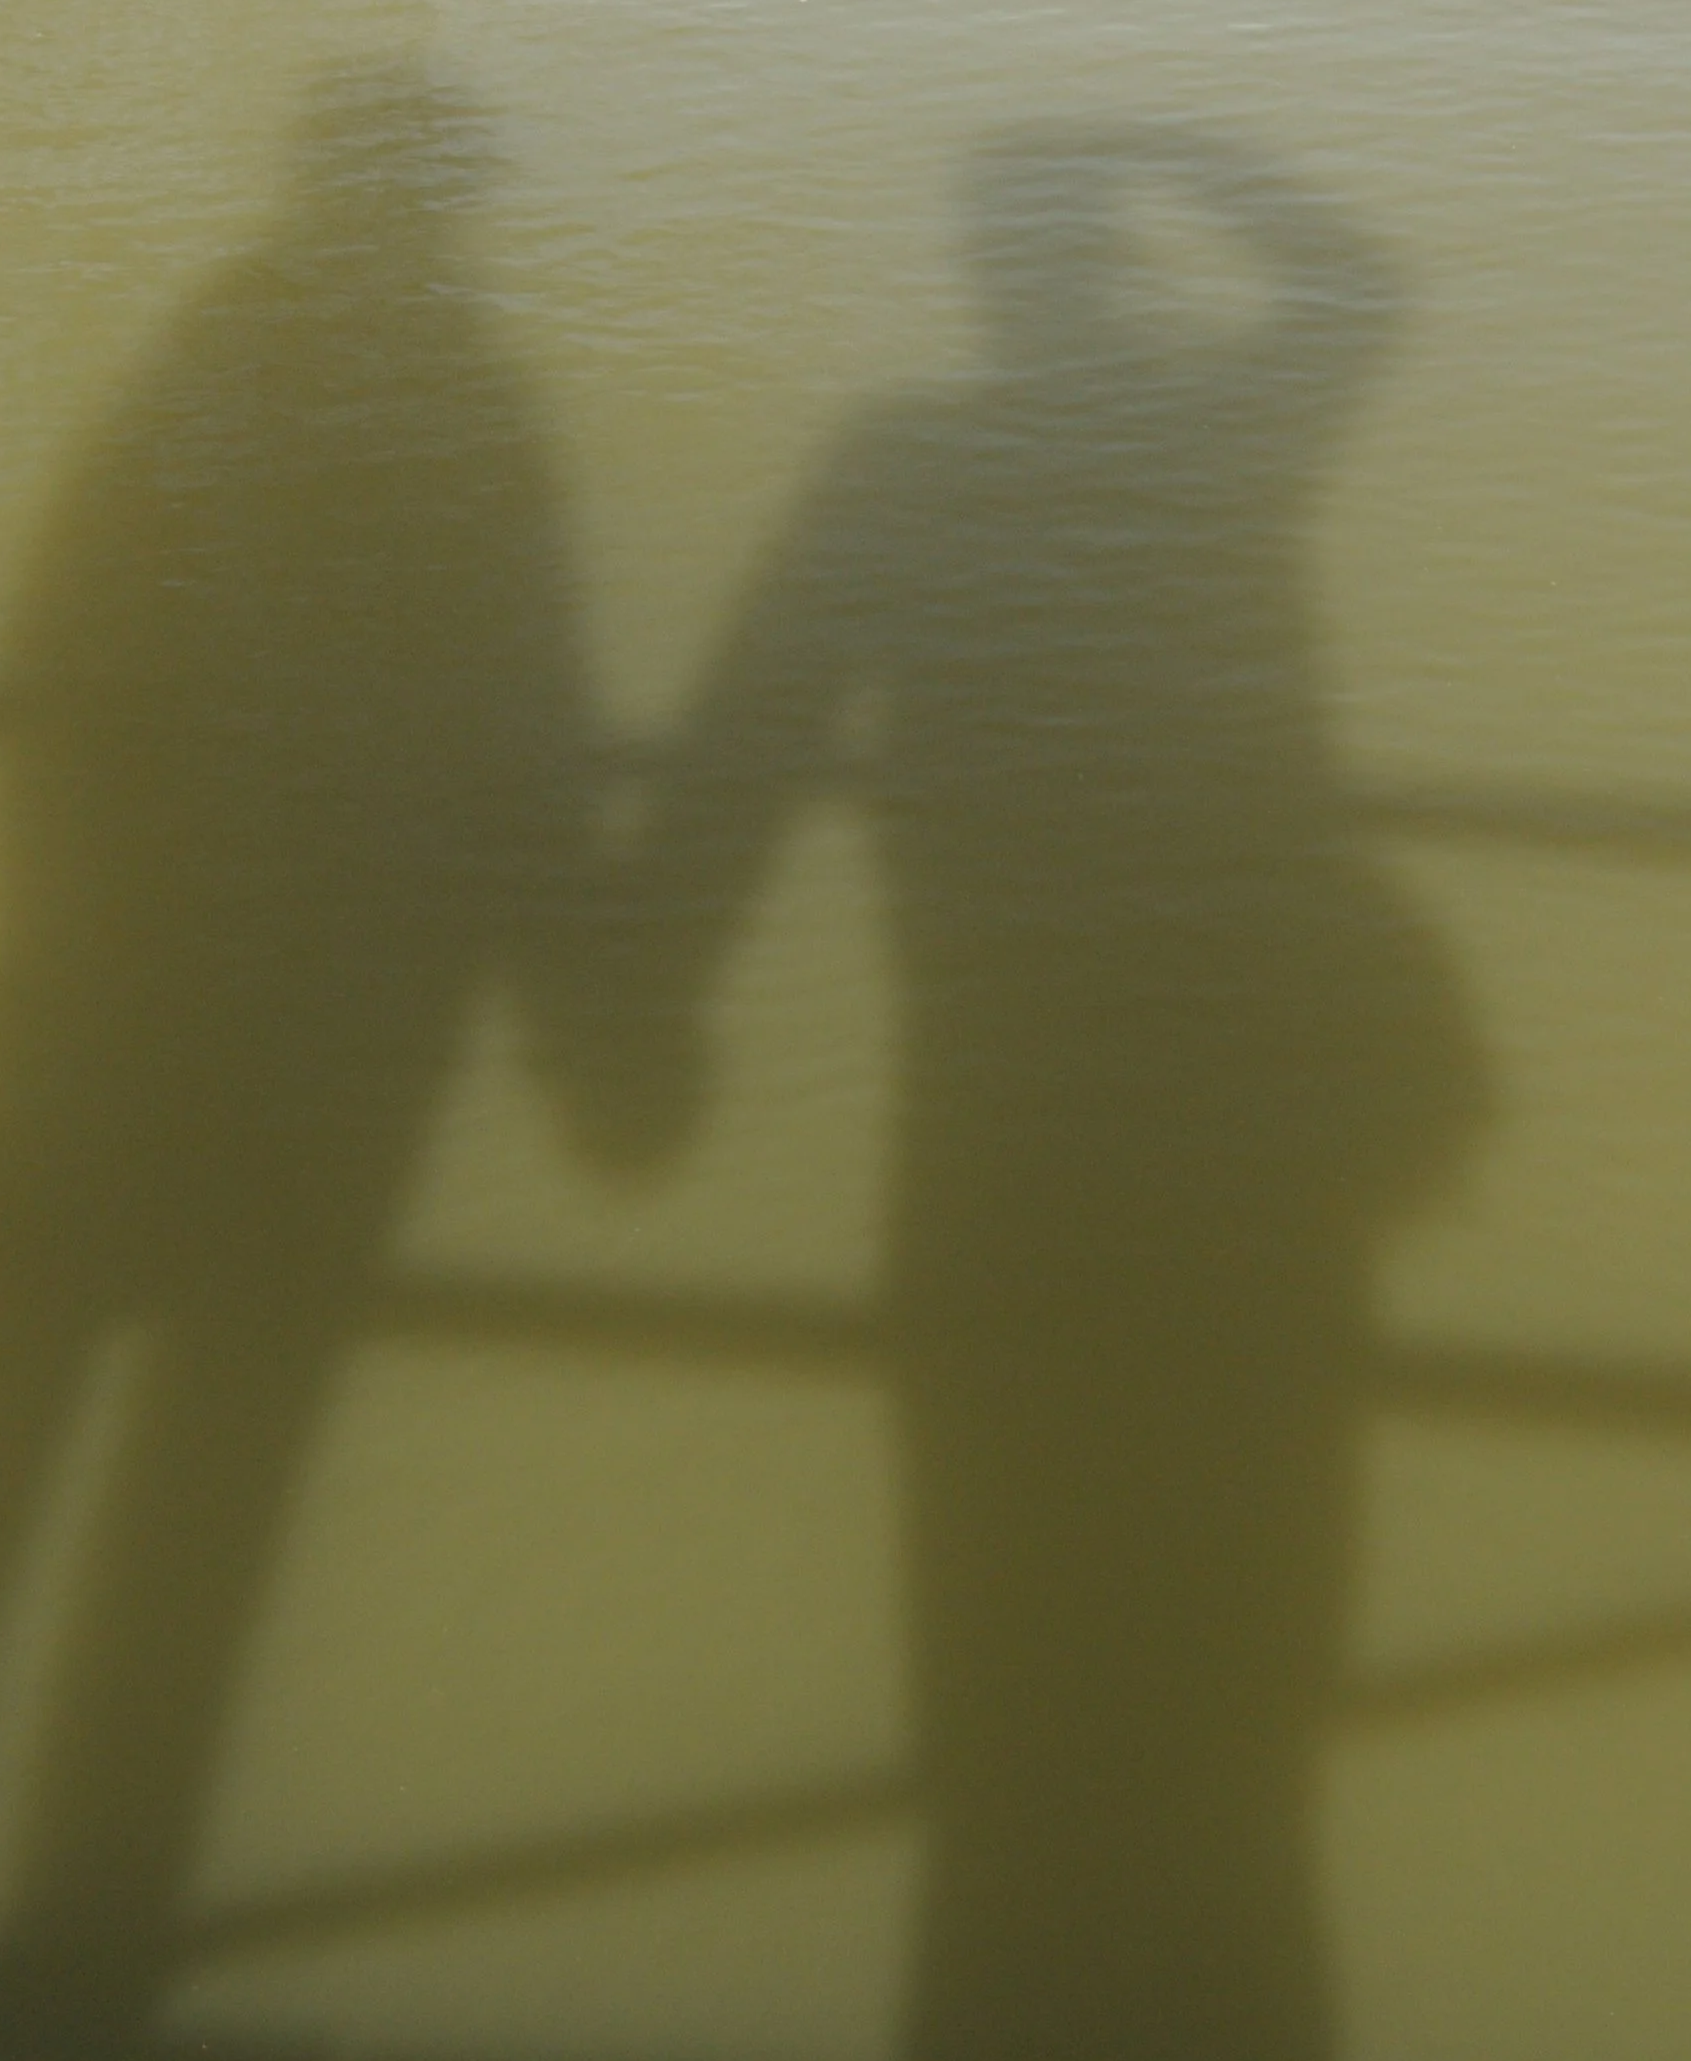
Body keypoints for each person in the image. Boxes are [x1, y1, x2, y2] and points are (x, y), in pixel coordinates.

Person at [0, 57, 606, 2057]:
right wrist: (596, 1039)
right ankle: (89, 1949)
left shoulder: (209, 381)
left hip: (87, 1057)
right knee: (189, 1532)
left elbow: (65, 681)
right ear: (440, 205)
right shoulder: (472, 421)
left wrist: (71, 959)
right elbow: (527, 754)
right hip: (320, 1078)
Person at [610, 122, 1489, 2061]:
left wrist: (639, 1018)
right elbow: (1363, 286)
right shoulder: (1213, 440)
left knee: (1007, 1711)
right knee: (1241, 1707)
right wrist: (1178, 150)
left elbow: (743, 749)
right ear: (1112, 272)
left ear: (987, 283)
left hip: (996, 1173)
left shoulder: (906, 474)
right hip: (1243, 1189)